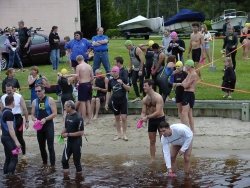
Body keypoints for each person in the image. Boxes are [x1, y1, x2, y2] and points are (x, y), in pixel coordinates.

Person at [31, 84, 57, 169]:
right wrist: (34, 119)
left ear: (43, 90)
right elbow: (33, 114)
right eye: (36, 91)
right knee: (41, 147)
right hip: (39, 127)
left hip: (48, 125)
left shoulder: (50, 100)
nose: (37, 93)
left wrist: (45, 119)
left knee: (50, 146)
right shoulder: (34, 101)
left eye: (39, 91)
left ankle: (52, 165)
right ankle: (45, 164)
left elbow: (54, 113)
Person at [1, 82, 29, 160]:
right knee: (9, 136)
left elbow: (25, 109)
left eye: (10, 90)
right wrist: (1, 122)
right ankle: (11, 153)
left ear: (13, 89)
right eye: (7, 90)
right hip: (7, 117)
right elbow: (1, 110)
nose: (8, 92)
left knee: (19, 137)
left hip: (17, 118)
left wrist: (27, 121)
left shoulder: (19, 97)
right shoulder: (3, 97)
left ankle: (23, 153)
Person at [140, 79, 165, 162]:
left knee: (163, 140)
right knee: (152, 141)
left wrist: (147, 117)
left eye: (145, 86)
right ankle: (152, 159)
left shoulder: (158, 97)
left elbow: (158, 112)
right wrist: (142, 119)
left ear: (151, 86)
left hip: (160, 120)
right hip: (152, 120)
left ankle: (166, 158)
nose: (144, 87)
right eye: (143, 86)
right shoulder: (144, 99)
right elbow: (143, 112)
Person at [105, 66, 131, 141]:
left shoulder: (123, 79)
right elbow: (108, 92)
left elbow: (129, 88)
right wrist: (107, 103)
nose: (113, 73)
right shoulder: (111, 81)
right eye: (112, 71)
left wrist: (122, 84)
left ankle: (124, 134)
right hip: (115, 101)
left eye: (115, 71)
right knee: (117, 118)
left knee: (124, 118)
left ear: (118, 72)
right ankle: (119, 134)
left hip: (123, 100)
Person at [173, 60, 198, 134]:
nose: (185, 67)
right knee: (188, 114)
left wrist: (183, 84)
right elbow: (184, 82)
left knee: (184, 113)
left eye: (186, 65)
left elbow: (186, 85)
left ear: (190, 66)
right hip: (186, 93)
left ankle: (187, 130)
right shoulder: (189, 74)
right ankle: (191, 131)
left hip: (189, 94)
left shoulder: (193, 74)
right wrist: (183, 84)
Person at [61, 100, 84, 175]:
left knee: (76, 162)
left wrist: (68, 134)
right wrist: (62, 132)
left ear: (69, 107)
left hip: (76, 142)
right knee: (64, 160)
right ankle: (66, 180)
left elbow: (81, 132)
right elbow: (66, 127)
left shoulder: (78, 117)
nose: (64, 107)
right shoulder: (67, 115)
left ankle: (79, 181)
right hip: (69, 142)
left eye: (65, 106)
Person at [1, 95, 21, 175]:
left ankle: (6, 177)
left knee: (8, 158)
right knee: (14, 158)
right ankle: (10, 177)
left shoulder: (3, 112)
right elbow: (11, 129)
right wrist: (16, 142)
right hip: (8, 138)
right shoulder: (9, 113)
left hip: (4, 137)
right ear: (13, 102)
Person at [75, 55, 94, 125]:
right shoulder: (89, 66)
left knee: (83, 103)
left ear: (78, 60)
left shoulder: (79, 66)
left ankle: (84, 120)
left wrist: (76, 84)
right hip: (89, 84)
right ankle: (90, 119)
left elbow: (77, 77)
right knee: (88, 102)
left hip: (82, 84)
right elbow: (92, 77)